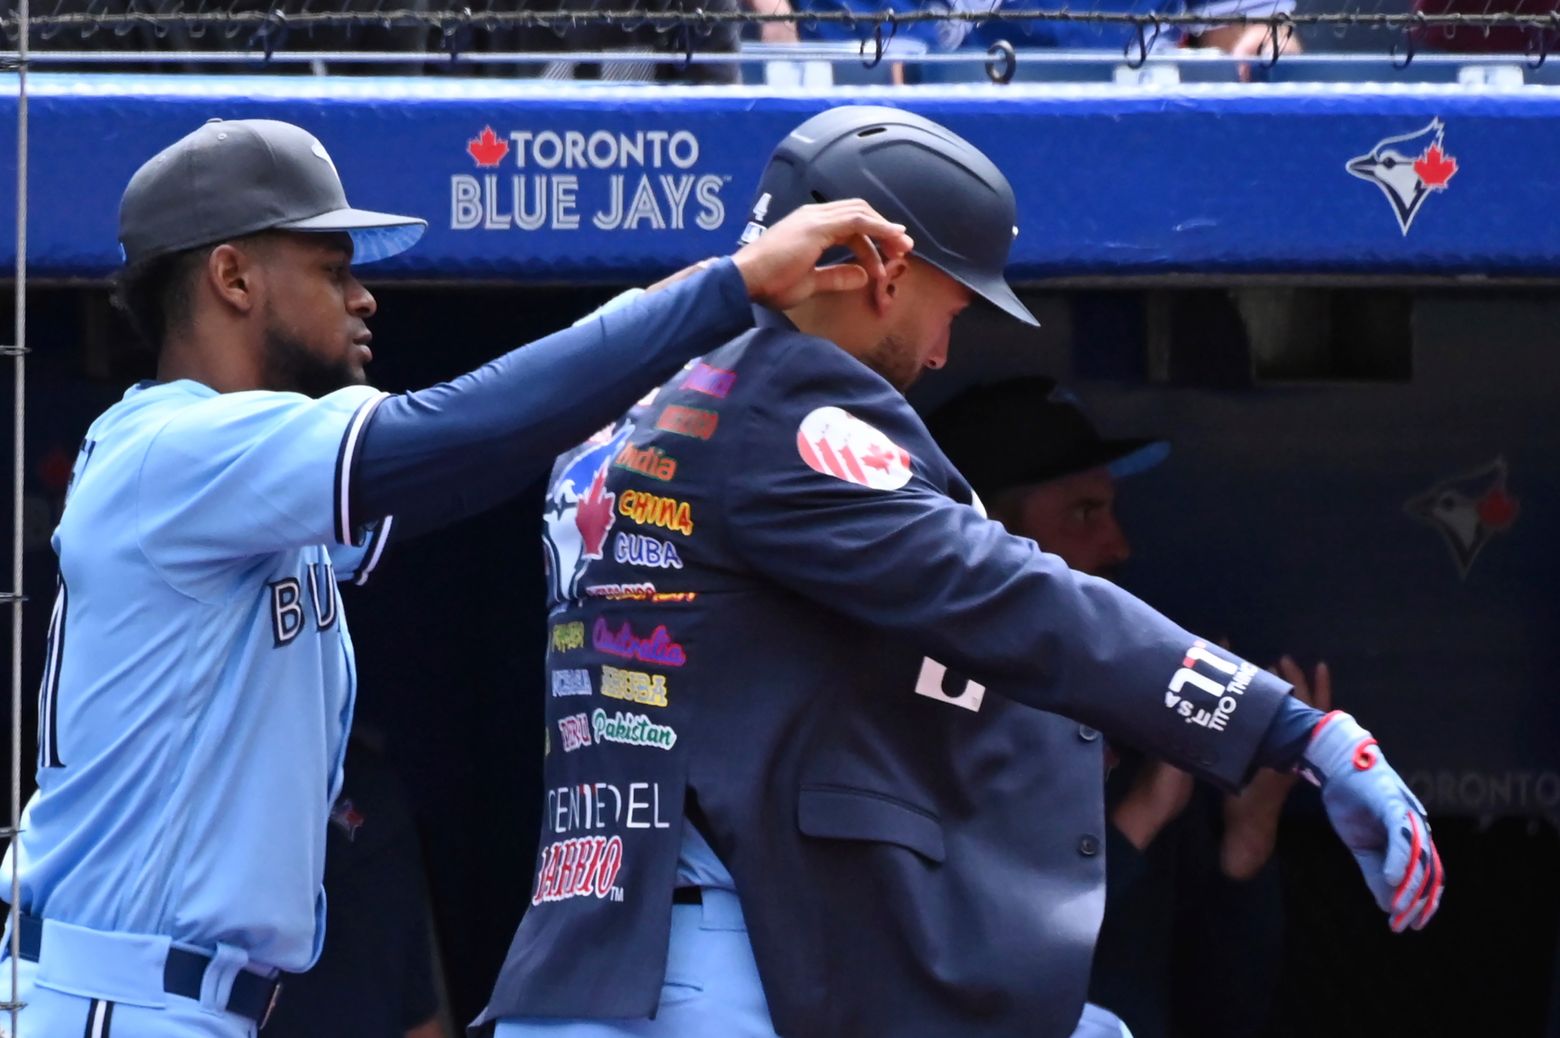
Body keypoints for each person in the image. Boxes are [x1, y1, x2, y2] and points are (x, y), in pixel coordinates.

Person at [474, 105, 1443, 1038]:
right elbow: (1009, 598)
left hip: (592, 955)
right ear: (884, 269)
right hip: (731, 972)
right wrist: (1287, 726)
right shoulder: (787, 395)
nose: (943, 352)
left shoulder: (645, 373)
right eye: (955, 305)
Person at [0, 116, 912, 1038]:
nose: (365, 299)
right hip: (114, 994)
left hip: (168, 997)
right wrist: (731, 285)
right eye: (332, 269)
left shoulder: (250, 478)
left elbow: (483, 452)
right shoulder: (175, 449)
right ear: (233, 277)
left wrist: (699, 304)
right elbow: (459, 430)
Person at [928, 378, 1330, 1038]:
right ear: (989, 537)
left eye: (1112, 512)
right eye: (1085, 514)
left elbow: (1221, 1013)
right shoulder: (907, 714)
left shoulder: (1139, 730)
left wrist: (1246, 839)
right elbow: (971, 976)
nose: (1119, 547)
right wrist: (1140, 818)